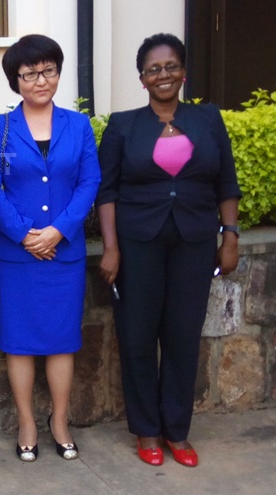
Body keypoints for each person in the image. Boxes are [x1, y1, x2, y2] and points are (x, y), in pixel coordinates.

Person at [96, 33, 241, 467]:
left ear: (183, 72)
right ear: (142, 78)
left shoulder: (208, 119)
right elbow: (107, 191)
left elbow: (226, 181)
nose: (163, 75)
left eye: (171, 66)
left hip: (194, 243)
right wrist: (111, 248)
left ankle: (177, 431)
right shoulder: (123, 126)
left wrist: (230, 236)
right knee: (138, 336)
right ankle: (147, 429)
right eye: (153, 69)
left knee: (182, 336)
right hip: (137, 244)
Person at [0, 35, 101, 463]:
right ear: (15, 80)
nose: (40, 80)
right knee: (19, 341)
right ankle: (27, 422)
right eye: (29, 73)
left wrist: (59, 231)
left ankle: (60, 421)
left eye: (48, 70)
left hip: (63, 255)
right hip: (16, 258)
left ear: (58, 73)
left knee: (62, 340)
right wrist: (25, 233)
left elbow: (89, 182)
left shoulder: (78, 126)